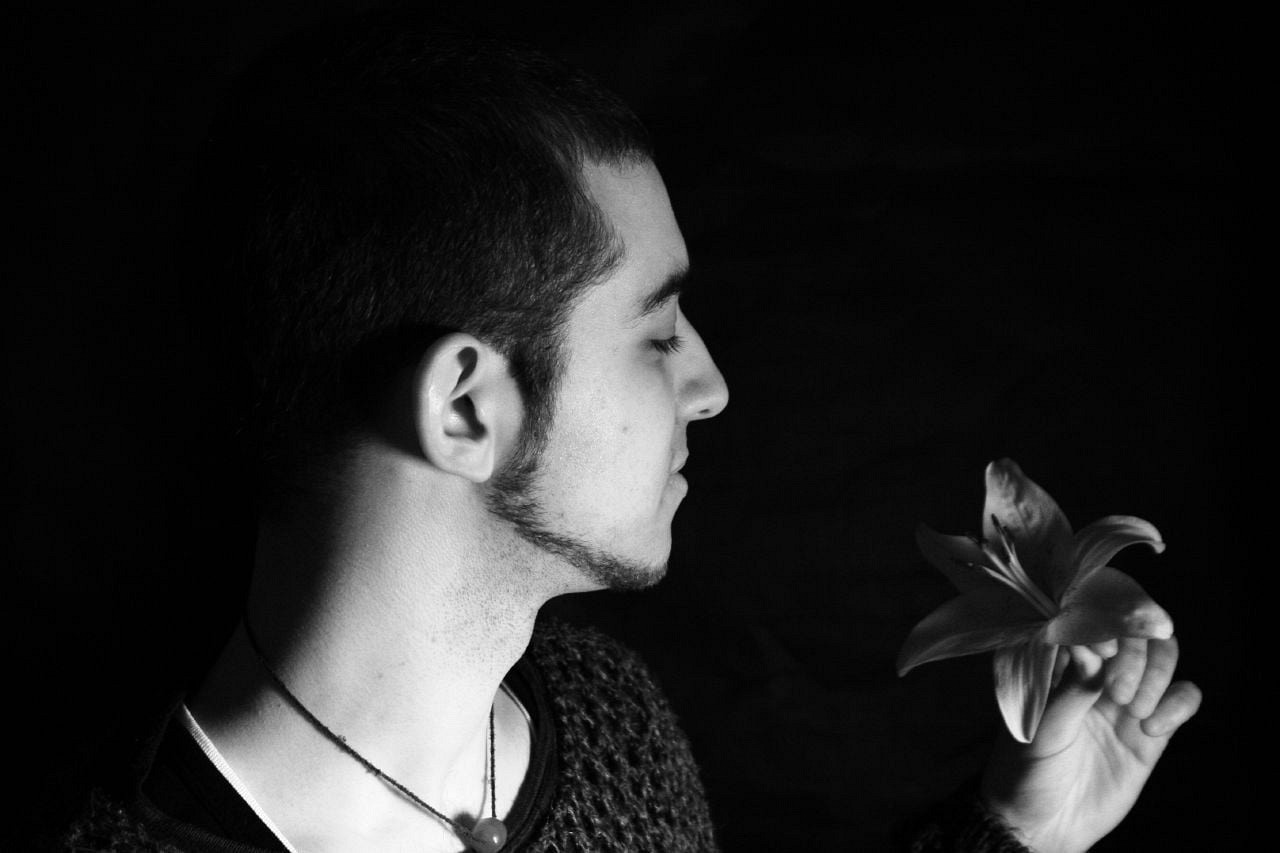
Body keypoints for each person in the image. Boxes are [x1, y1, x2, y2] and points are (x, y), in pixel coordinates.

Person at [64, 11, 1200, 853]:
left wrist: (1012, 831)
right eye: (658, 333)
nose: (710, 387)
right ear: (464, 408)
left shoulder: (607, 721)